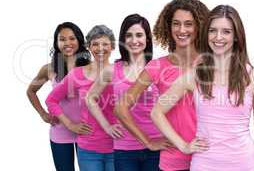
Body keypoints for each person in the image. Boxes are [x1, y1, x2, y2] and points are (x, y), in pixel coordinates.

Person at [151, 5, 254, 171]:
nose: (218, 37)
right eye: (213, 30)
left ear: (236, 36)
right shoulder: (194, 76)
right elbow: (157, 112)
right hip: (204, 164)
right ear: (206, 34)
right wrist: (183, 146)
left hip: (243, 164)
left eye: (226, 31)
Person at [114, 0, 210, 171]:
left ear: (199, 27)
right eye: (176, 24)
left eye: (188, 24)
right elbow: (121, 107)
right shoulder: (157, 66)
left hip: (209, 156)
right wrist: (148, 142)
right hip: (173, 160)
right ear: (168, 27)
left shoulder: (213, 64)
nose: (181, 30)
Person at [87, 14, 165, 171]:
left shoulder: (159, 68)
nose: (134, 40)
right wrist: (107, 127)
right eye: (128, 35)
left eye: (139, 35)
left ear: (147, 38)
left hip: (156, 145)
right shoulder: (112, 70)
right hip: (125, 148)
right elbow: (90, 98)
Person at [45, 25, 120, 171]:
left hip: (117, 145)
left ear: (112, 46)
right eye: (95, 44)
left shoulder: (121, 71)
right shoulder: (78, 74)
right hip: (89, 148)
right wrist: (70, 124)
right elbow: (51, 100)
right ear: (89, 47)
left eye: (105, 44)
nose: (100, 48)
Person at [26, 22, 90, 171]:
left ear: (79, 41)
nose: (67, 43)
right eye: (62, 39)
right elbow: (31, 91)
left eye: (72, 38)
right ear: (56, 43)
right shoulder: (49, 69)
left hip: (87, 132)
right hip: (60, 132)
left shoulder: (91, 67)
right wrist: (43, 113)